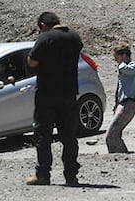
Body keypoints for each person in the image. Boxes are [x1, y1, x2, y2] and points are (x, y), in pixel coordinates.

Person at [26, 12, 84, 187]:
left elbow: (32, 62)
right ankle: (71, 175)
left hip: (47, 94)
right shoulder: (75, 38)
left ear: (43, 25)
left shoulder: (45, 38)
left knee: (43, 136)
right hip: (69, 94)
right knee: (69, 136)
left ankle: (43, 174)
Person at [106, 44, 135, 154]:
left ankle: (121, 156)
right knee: (114, 134)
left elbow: (127, 70)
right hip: (122, 104)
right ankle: (122, 154)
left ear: (124, 55)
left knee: (111, 135)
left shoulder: (134, 66)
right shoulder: (123, 67)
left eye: (117, 56)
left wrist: (121, 63)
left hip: (128, 104)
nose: (115, 59)